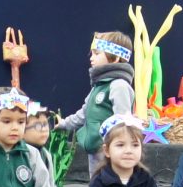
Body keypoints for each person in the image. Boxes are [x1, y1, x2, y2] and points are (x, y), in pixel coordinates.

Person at [56, 32, 137, 175]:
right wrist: (64, 124)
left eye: (97, 53)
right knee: (96, 184)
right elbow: (83, 114)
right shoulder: (98, 87)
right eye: (91, 54)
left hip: (110, 154)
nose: (91, 58)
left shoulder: (119, 86)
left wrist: (118, 148)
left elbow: (123, 122)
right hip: (96, 150)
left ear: (115, 58)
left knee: (111, 185)